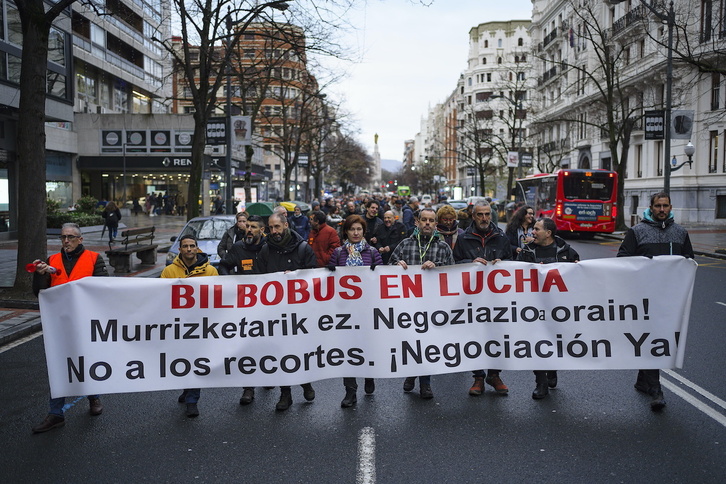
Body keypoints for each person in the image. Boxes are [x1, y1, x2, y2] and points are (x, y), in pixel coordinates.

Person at [617, 192, 694, 411]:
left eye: (665, 206)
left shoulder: (680, 233)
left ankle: (643, 381)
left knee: (661, 339)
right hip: (643, 298)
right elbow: (623, 260)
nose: (662, 210)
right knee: (653, 341)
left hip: (670, 298)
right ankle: (655, 389)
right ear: (650, 207)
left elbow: (689, 261)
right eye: (658, 206)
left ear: (671, 207)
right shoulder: (637, 232)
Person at [31, 223, 109, 433]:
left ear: (80, 239)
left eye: (71, 237)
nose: (66, 241)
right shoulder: (52, 261)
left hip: (86, 322)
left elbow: (104, 289)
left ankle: (93, 397)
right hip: (59, 323)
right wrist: (40, 274)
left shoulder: (94, 258)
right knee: (58, 366)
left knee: (85, 362)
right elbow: (39, 292)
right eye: (63, 237)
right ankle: (56, 413)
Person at [389, 207, 454, 399]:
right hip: (409, 305)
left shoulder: (443, 247)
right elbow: (390, 266)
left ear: (435, 224)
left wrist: (438, 267)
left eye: (431, 220)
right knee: (411, 342)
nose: (427, 223)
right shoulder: (405, 244)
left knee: (428, 343)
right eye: (424, 220)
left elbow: (454, 274)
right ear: (417, 222)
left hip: (433, 305)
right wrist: (397, 266)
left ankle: (425, 382)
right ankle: (411, 372)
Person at [258, 213, 318, 411]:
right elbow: (258, 280)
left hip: (300, 313)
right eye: (270, 228)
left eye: (277, 227)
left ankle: (305, 382)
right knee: (281, 353)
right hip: (275, 313)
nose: (273, 232)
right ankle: (285, 394)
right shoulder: (266, 250)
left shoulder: (302, 248)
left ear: (285, 225)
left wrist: (296, 278)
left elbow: (314, 277)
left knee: (299, 352)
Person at [452, 200, 513, 396]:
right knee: (475, 335)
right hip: (473, 298)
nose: (484, 218)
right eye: (480, 214)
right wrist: (470, 263)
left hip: (496, 297)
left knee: (498, 334)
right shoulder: (464, 238)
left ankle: (494, 375)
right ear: (473, 216)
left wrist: (503, 264)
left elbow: (513, 263)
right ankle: (478, 376)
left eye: (487, 214)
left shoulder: (501, 237)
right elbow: (454, 264)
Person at [517, 217, 580, 400]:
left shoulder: (566, 251)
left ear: (548, 233)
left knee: (555, 341)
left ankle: (552, 369)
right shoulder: (527, 251)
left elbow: (578, 278)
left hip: (559, 308)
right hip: (534, 307)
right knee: (537, 343)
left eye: (536, 229)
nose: (532, 232)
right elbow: (517, 274)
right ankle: (540, 382)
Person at [161, 234, 219, 417]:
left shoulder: (210, 272)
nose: (188, 249)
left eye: (192, 246)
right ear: (179, 249)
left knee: (196, 360)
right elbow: (160, 297)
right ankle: (187, 389)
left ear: (197, 248)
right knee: (181, 360)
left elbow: (218, 298)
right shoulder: (169, 271)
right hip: (177, 325)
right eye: (185, 246)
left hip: (201, 325)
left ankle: (192, 400)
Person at [329, 215, 383, 408]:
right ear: (346, 232)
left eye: (359, 229)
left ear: (364, 231)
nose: (356, 233)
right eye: (352, 229)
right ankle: (350, 391)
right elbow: (329, 281)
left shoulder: (373, 252)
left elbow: (382, 280)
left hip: (367, 310)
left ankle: (369, 375)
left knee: (367, 347)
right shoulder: (338, 253)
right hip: (345, 311)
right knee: (347, 350)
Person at [217, 215, 266, 405]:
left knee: (266, 344)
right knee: (248, 346)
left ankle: (270, 375)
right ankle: (248, 387)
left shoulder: (269, 248)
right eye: (247, 226)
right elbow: (224, 265)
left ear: (262, 230)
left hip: (269, 306)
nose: (248, 229)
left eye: (253, 226)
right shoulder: (238, 247)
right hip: (245, 306)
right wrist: (230, 282)